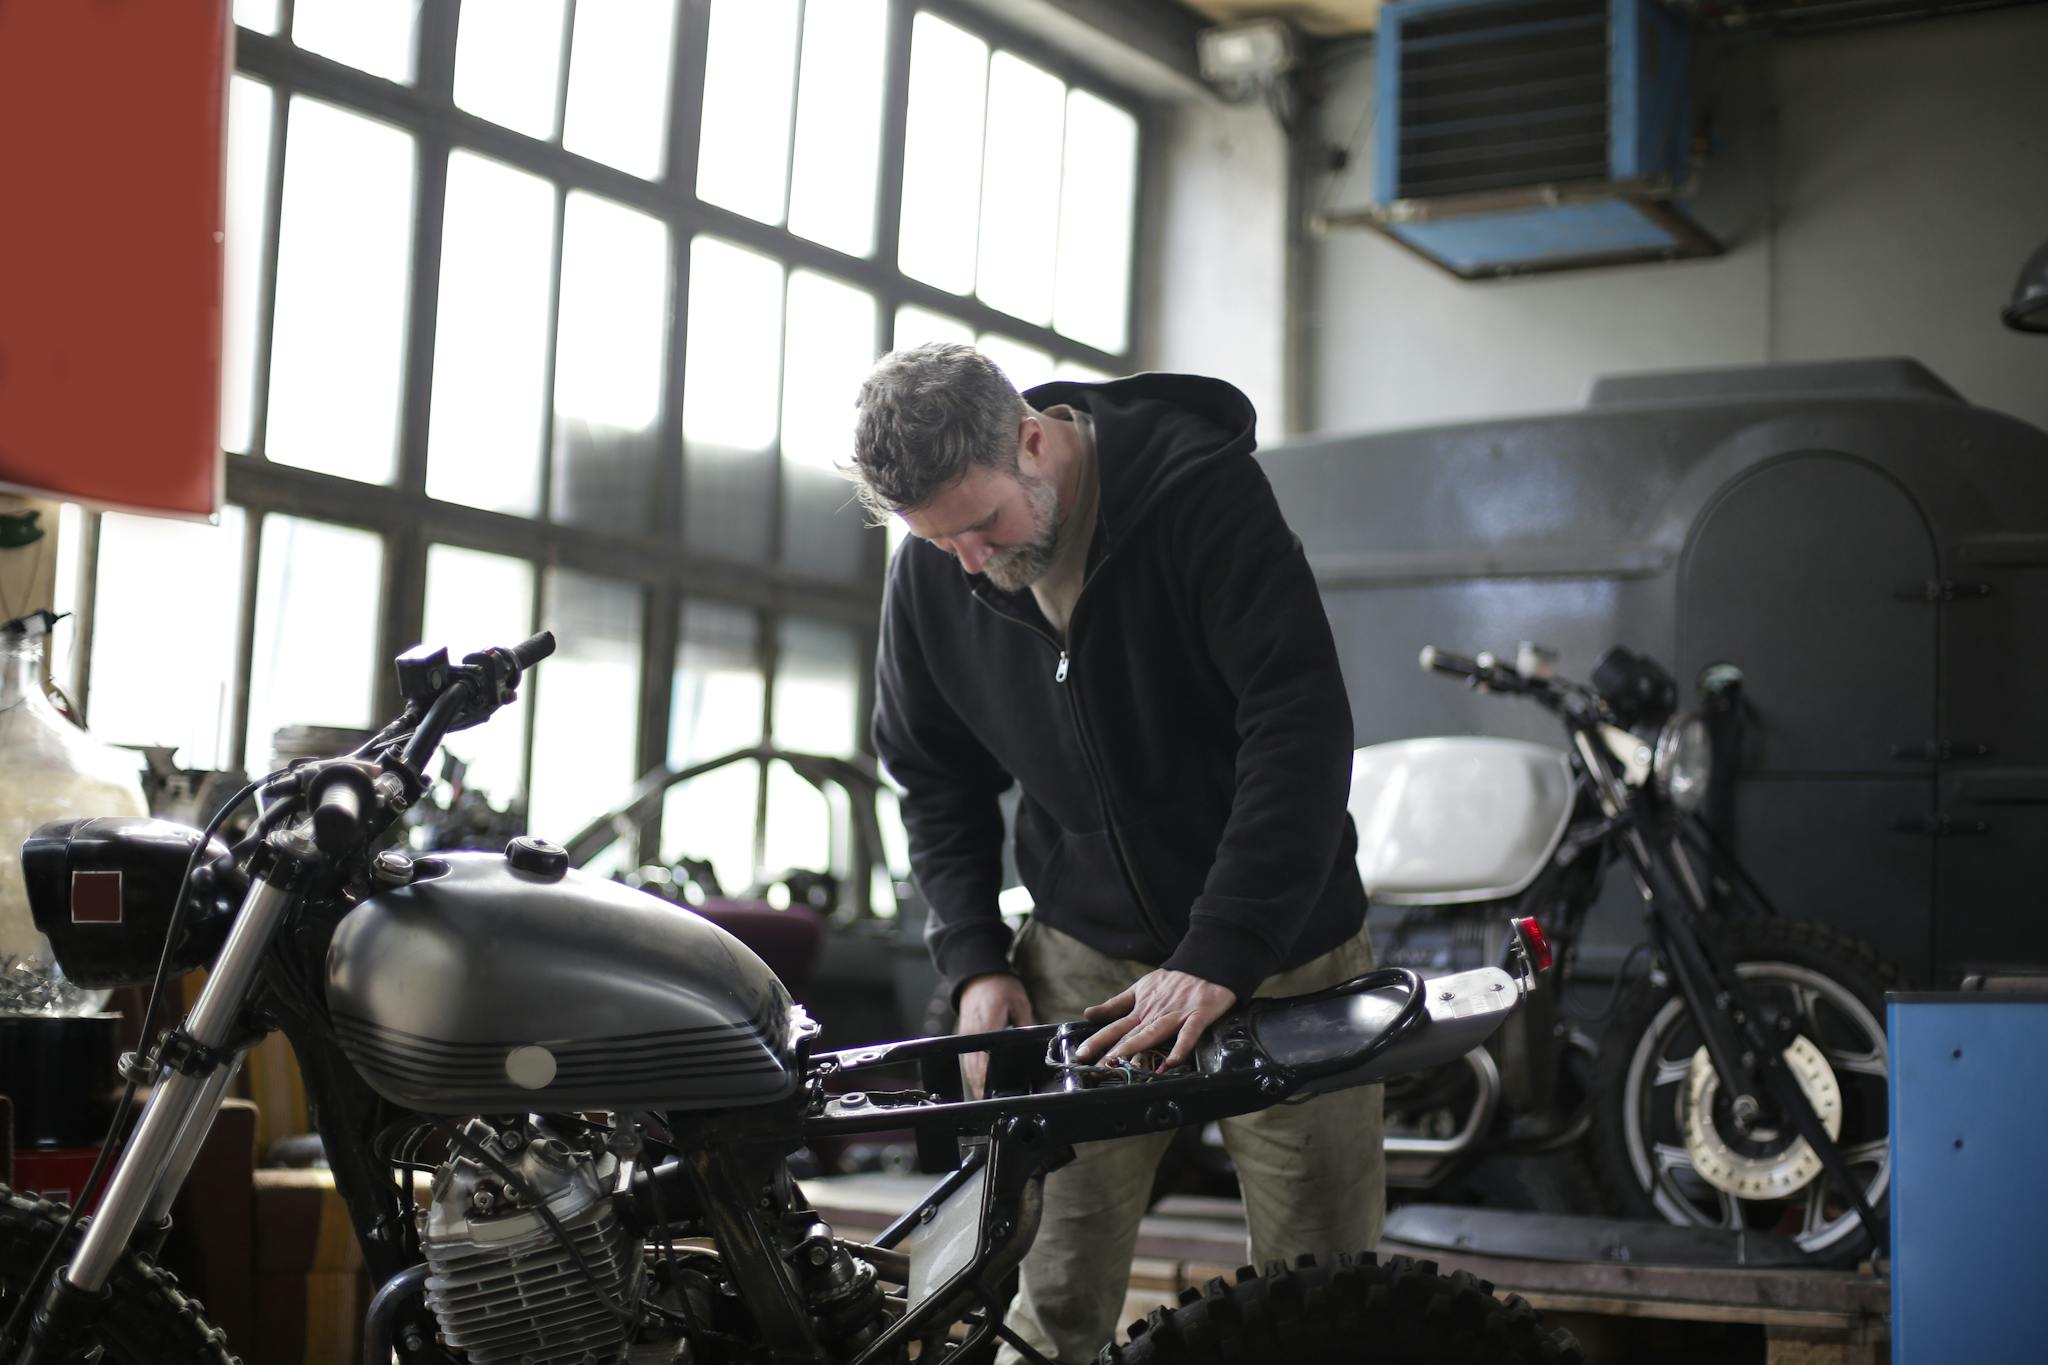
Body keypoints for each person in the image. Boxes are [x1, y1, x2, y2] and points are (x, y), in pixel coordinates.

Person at [853, 344, 1381, 1365]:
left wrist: (1221, 949)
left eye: (981, 526)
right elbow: (930, 774)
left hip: (1282, 956)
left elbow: (1297, 727)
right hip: (1082, 958)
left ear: (1033, 441)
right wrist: (973, 959)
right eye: (937, 540)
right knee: (1043, 1296)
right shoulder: (932, 566)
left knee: (1322, 1308)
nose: (967, 560)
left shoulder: (1202, 496)